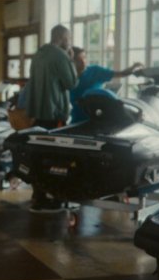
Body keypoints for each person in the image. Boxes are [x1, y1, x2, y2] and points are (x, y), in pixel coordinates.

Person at [25, 24, 77, 213]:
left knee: (39, 154)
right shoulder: (60, 56)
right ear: (63, 38)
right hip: (54, 113)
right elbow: (71, 83)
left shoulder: (39, 54)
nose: (70, 42)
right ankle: (50, 197)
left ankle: (38, 195)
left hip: (38, 112)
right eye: (69, 38)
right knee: (56, 157)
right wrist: (71, 60)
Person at [68, 47, 142, 124]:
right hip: (77, 121)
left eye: (84, 58)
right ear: (72, 62)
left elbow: (121, 73)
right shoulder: (67, 77)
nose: (83, 62)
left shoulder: (95, 71)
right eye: (79, 60)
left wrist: (133, 68)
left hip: (98, 120)